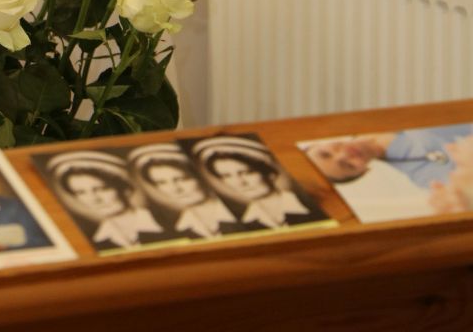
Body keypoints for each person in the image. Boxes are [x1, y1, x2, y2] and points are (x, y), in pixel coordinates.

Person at [192, 135, 325, 230]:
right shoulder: (238, 224)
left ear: (270, 174)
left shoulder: (312, 206)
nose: (240, 182)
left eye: (247, 172)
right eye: (227, 176)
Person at [47, 151, 167, 251]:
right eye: (81, 192)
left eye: (101, 189)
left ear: (125, 189)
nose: (94, 199)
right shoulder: (90, 240)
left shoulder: (168, 223)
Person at [305, 123, 473, 189]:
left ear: (318, 143)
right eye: (347, 165)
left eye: (325, 154)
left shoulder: (366, 110)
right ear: (363, 172)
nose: (343, 154)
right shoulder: (425, 177)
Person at [128, 142, 235, 239]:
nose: (175, 189)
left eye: (182, 179)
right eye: (162, 183)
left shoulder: (237, 212)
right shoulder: (173, 229)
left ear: (200, 176)